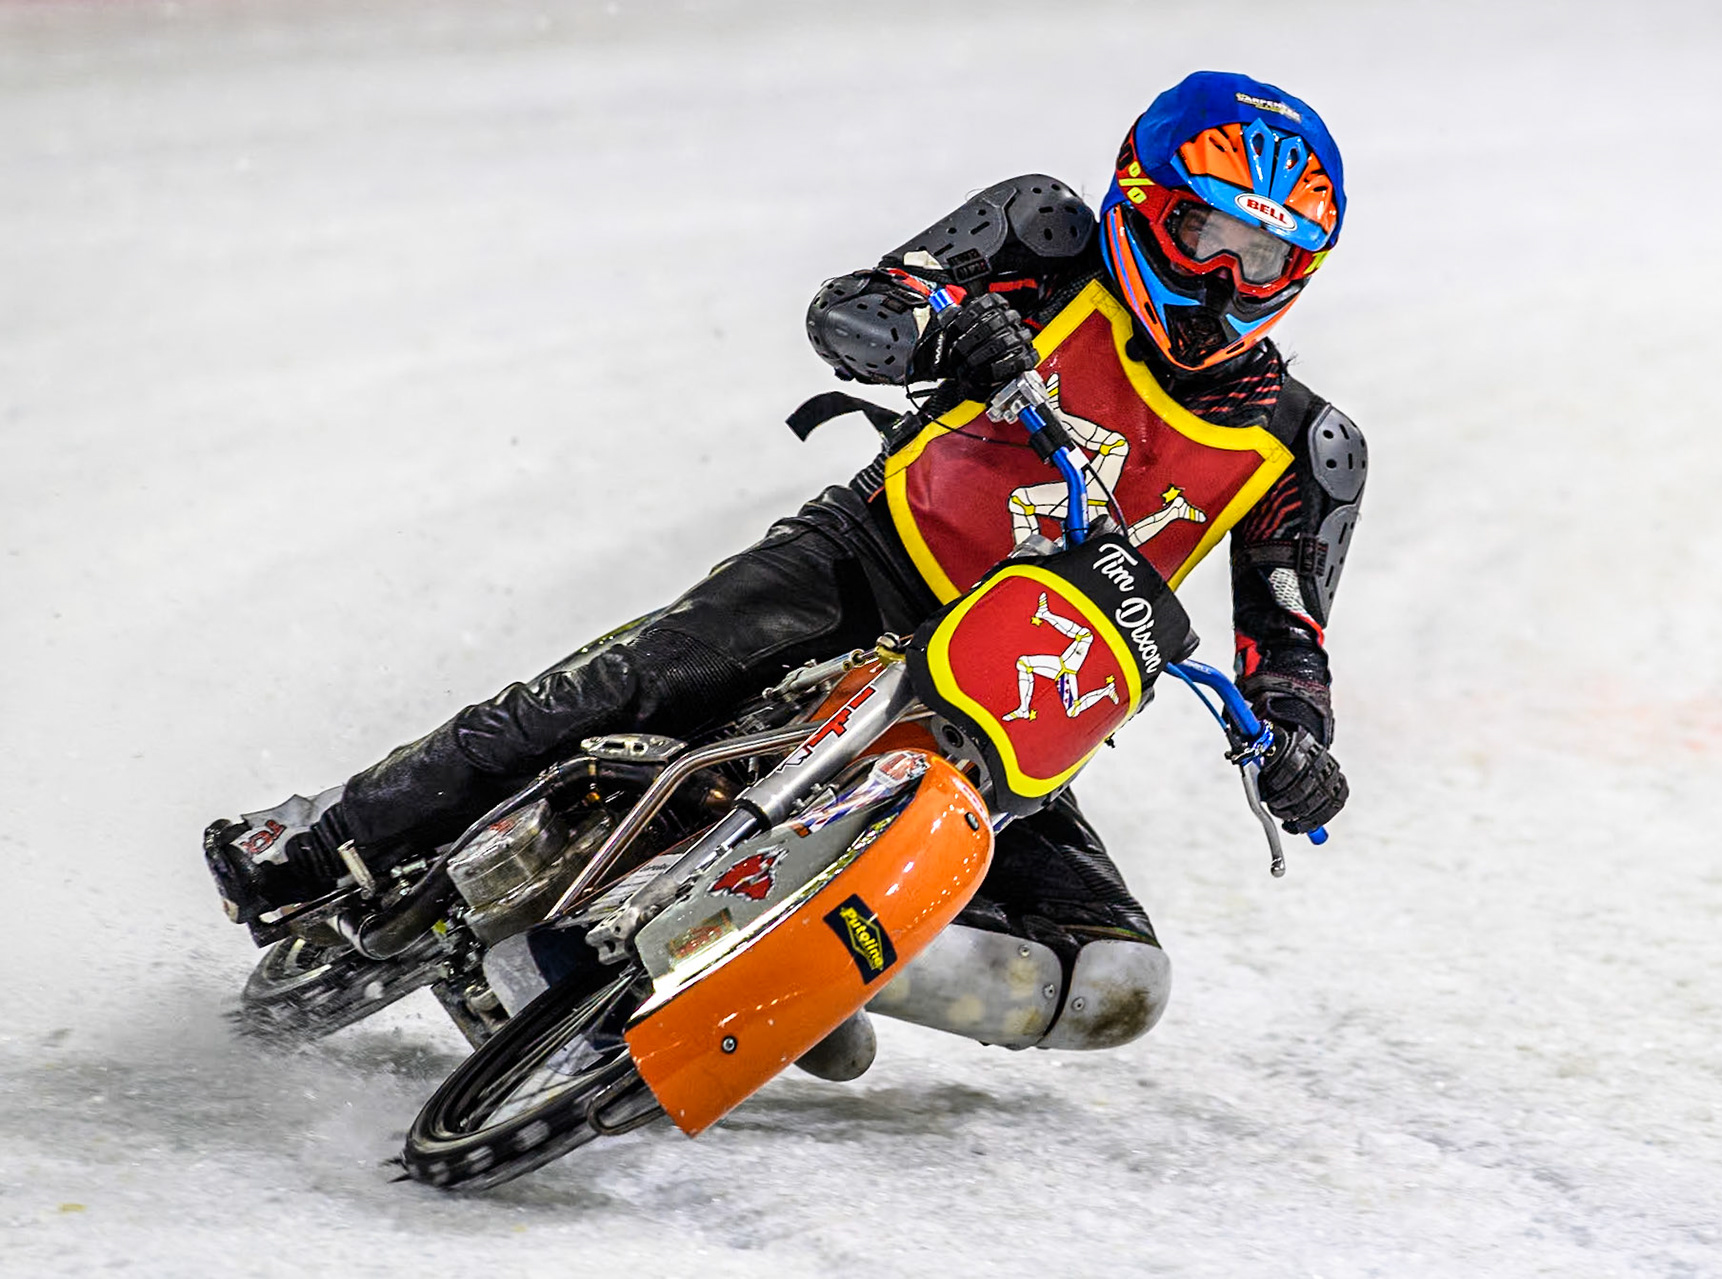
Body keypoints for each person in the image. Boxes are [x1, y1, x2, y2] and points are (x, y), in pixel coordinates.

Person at [206, 70, 1365, 1059]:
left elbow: (1289, 644)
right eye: (1209, 237)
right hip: (867, 564)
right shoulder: (1045, 232)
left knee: (1116, 984)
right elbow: (859, 307)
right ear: (1142, 203)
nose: (1225, 283)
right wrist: (935, 329)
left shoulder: (1307, 448)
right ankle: (317, 832)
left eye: (1265, 258)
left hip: (1019, 701)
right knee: (631, 680)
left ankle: (792, 971)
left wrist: (1298, 749)